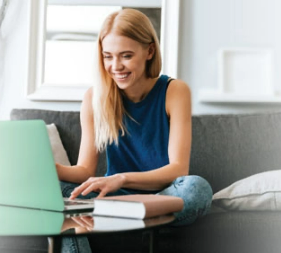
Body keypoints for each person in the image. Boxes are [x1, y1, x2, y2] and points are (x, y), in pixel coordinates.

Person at [55, 8, 213, 253]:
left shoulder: (175, 91)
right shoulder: (94, 97)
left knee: (197, 188)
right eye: (108, 56)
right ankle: (119, 218)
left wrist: (122, 178)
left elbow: (178, 169)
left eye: (126, 55)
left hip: (158, 195)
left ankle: (111, 218)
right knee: (55, 197)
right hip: (111, 200)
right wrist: (51, 170)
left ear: (149, 51)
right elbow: (84, 170)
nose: (115, 66)